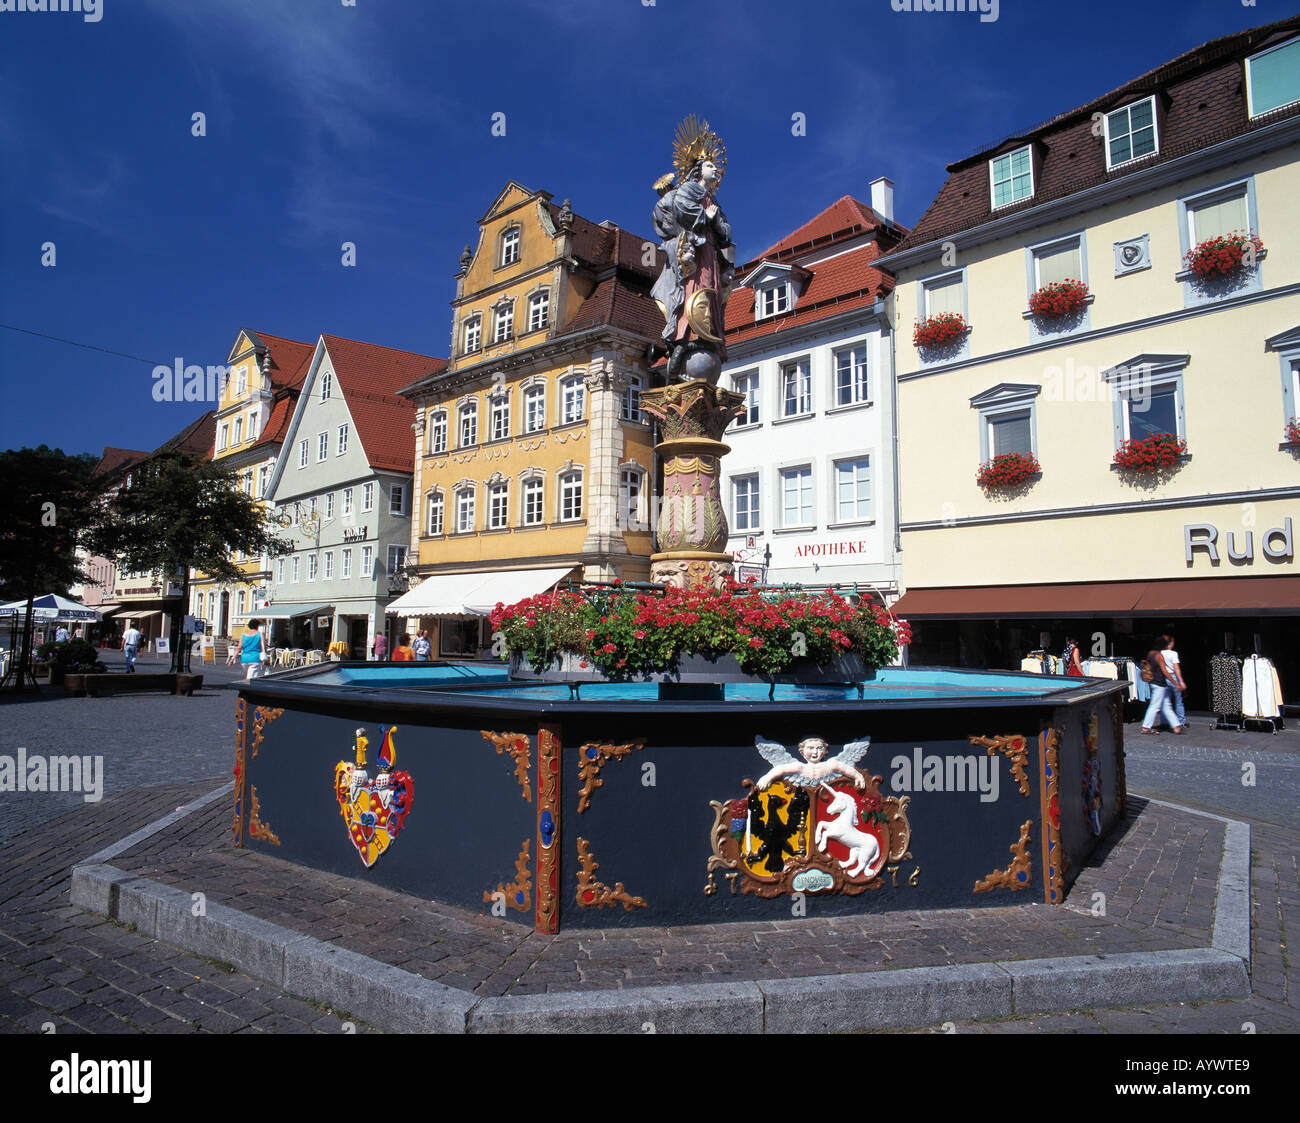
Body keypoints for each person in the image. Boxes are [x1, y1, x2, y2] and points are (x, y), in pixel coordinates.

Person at [1141, 636, 1184, 734]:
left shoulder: (1150, 653)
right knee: (1155, 706)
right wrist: (1175, 683)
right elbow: (1165, 671)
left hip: (1153, 682)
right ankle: (1146, 726)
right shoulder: (1159, 656)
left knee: (1166, 705)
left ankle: (1176, 726)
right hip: (1159, 683)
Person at [1162, 633, 1188, 729]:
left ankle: (1164, 721)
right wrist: (1181, 681)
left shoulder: (1160, 653)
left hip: (1163, 677)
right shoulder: (1173, 654)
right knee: (1178, 700)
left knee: (1165, 701)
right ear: (1170, 643)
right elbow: (1176, 668)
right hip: (1173, 677)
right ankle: (1181, 721)